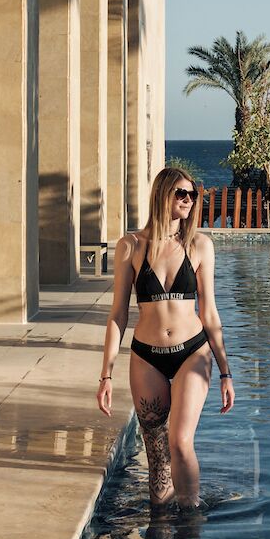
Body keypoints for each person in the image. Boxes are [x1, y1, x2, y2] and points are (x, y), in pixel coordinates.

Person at [98, 167, 233, 508]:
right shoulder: (130, 247)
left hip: (193, 353)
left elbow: (210, 313)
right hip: (147, 357)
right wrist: (106, 374)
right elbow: (117, 315)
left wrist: (226, 372)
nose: (188, 200)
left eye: (192, 195)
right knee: (156, 454)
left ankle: (190, 519)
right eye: (181, 194)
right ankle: (162, 536)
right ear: (162, 195)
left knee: (180, 440)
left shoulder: (200, 245)